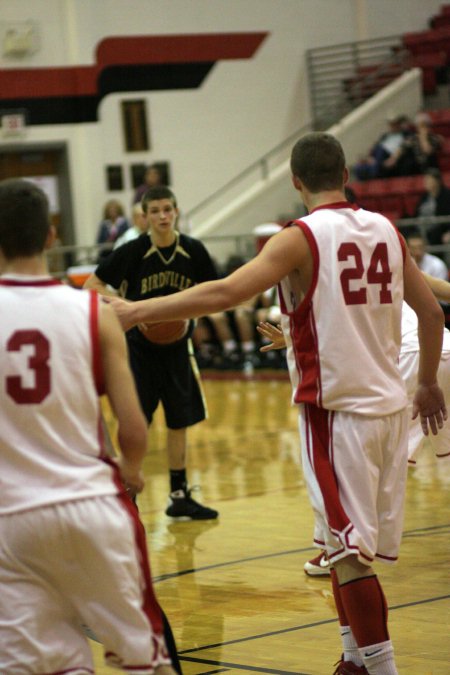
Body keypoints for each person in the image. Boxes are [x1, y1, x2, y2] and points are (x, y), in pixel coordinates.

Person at [108, 132, 447, 674]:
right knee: (343, 549)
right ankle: (354, 659)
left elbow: (225, 293)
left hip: (339, 415)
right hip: (390, 409)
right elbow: (432, 314)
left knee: (351, 559)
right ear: (345, 174)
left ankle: (382, 669)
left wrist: (135, 312)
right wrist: (427, 382)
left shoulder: (301, 238)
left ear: (294, 181)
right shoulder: (387, 229)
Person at [0, 179, 177, 675]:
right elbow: (133, 425)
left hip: (12, 518)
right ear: (52, 237)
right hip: (91, 506)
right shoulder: (93, 312)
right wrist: (133, 470)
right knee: (147, 661)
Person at [258, 268, 450, 576]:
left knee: (357, 461)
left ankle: (335, 546)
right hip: (442, 349)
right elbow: (440, 294)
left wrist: (294, 337)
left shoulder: (329, 260)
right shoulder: (388, 250)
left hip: (405, 359)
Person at [84, 186, 219, 521]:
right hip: (138, 351)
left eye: (167, 209)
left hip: (178, 348)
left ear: (176, 211)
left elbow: (215, 292)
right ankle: (126, 492)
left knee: (179, 421)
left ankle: (179, 495)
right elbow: (92, 285)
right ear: (144, 216)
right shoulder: (132, 251)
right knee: (136, 421)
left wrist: (188, 314)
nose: (162, 216)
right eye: (155, 210)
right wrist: (134, 310)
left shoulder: (193, 250)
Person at [414, 168, 450, 247]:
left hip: (440, 229)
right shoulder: (424, 197)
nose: (425, 182)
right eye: (425, 180)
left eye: (428, 180)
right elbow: (416, 213)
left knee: (435, 234)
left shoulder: (447, 195)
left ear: (437, 181)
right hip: (422, 228)